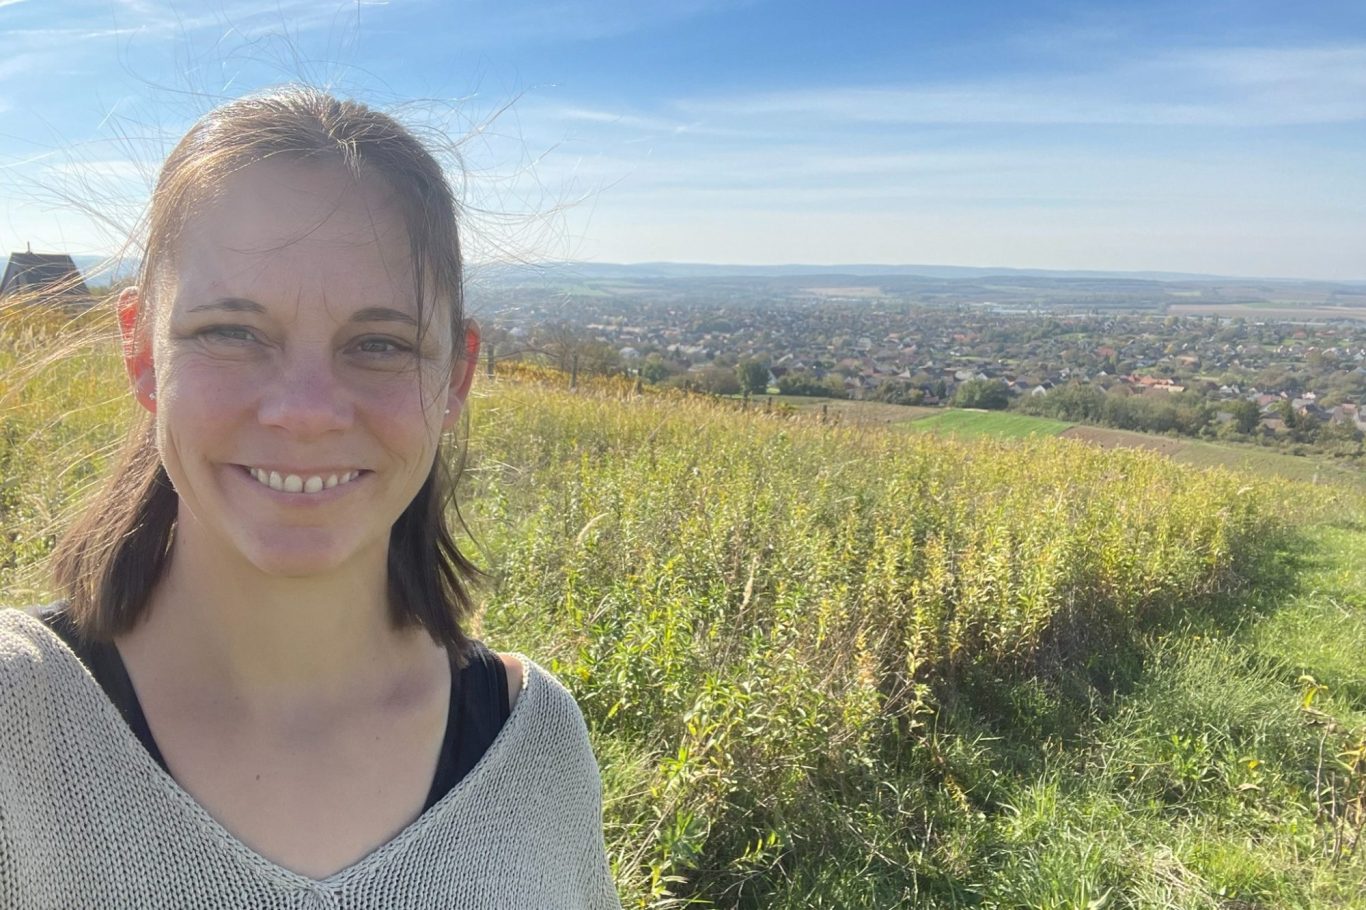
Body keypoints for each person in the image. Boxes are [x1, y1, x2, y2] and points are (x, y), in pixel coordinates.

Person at [0, 85, 622, 908]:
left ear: (455, 378)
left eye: (379, 344)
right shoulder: (17, 723)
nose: (304, 413)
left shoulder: (535, 743)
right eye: (232, 331)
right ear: (142, 351)